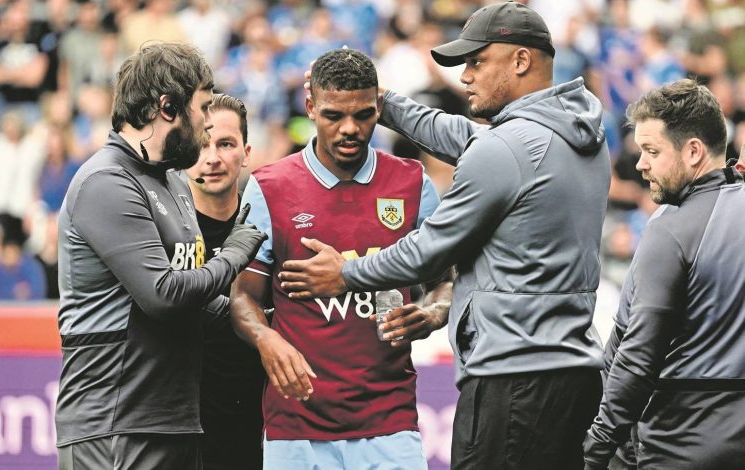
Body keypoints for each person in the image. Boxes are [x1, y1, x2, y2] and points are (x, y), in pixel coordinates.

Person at [279, 3, 611, 469]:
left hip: (512, 381)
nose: (466, 77)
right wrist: (385, 101)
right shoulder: (580, 133)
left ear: (520, 61)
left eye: (477, 62)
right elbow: (467, 138)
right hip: (573, 375)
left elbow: (426, 251)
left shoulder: (508, 149)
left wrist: (347, 273)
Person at [230, 48, 451, 469]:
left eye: (363, 115)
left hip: (390, 419)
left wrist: (433, 313)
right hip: (297, 423)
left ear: (378, 108)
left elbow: (448, 279)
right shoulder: (268, 187)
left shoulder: (411, 183)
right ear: (311, 107)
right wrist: (267, 339)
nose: (350, 128)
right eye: (334, 116)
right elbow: (243, 297)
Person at [54, 42, 266, 469]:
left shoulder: (171, 180)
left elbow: (197, 302)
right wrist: (235, 253)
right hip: (115, 423)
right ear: (167, 106)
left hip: (173, 421)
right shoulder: (106, 182)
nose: (207, 125)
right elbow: (164, 295)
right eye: (203, 108)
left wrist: (275, 322)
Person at [583, 79, 745, 469]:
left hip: (675, 443)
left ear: (693, 151)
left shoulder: (670, 226)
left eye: (652, 151)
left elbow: (634, 356)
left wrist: (595, 449)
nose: (640, 163)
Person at [184, 93, 264, 469]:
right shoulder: (160, 233)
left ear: (246, 152)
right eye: (202, 144)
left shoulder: (266, 232)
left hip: (254, 429)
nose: (212, 157)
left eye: (226, 144)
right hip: (180, 430)